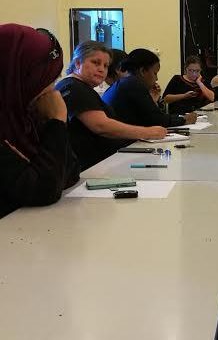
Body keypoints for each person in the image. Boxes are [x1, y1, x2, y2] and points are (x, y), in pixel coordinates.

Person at [0, 23, 80, 217]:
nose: (52, 89)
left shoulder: (24, 117)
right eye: (45, 79)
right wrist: (57, 121)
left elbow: (71, 172)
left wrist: (53, 124)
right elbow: (44, 191)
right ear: (19, 75)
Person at [56, 41, 167, 171]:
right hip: (91, 169)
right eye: (95, 63)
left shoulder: (79, 87)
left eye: (106, 65)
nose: (101, 69)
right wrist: (149, 132)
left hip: (104, 163)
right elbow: (101, 126)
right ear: (77, 63)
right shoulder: (73, 87)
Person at [103, 48, 196, 128]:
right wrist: (183, 120)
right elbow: (157, 120)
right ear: (143, 71)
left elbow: (148, 116)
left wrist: (153, 101)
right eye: (155, 73)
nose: (156, 78)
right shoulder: (132, 84)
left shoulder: (122, 84)